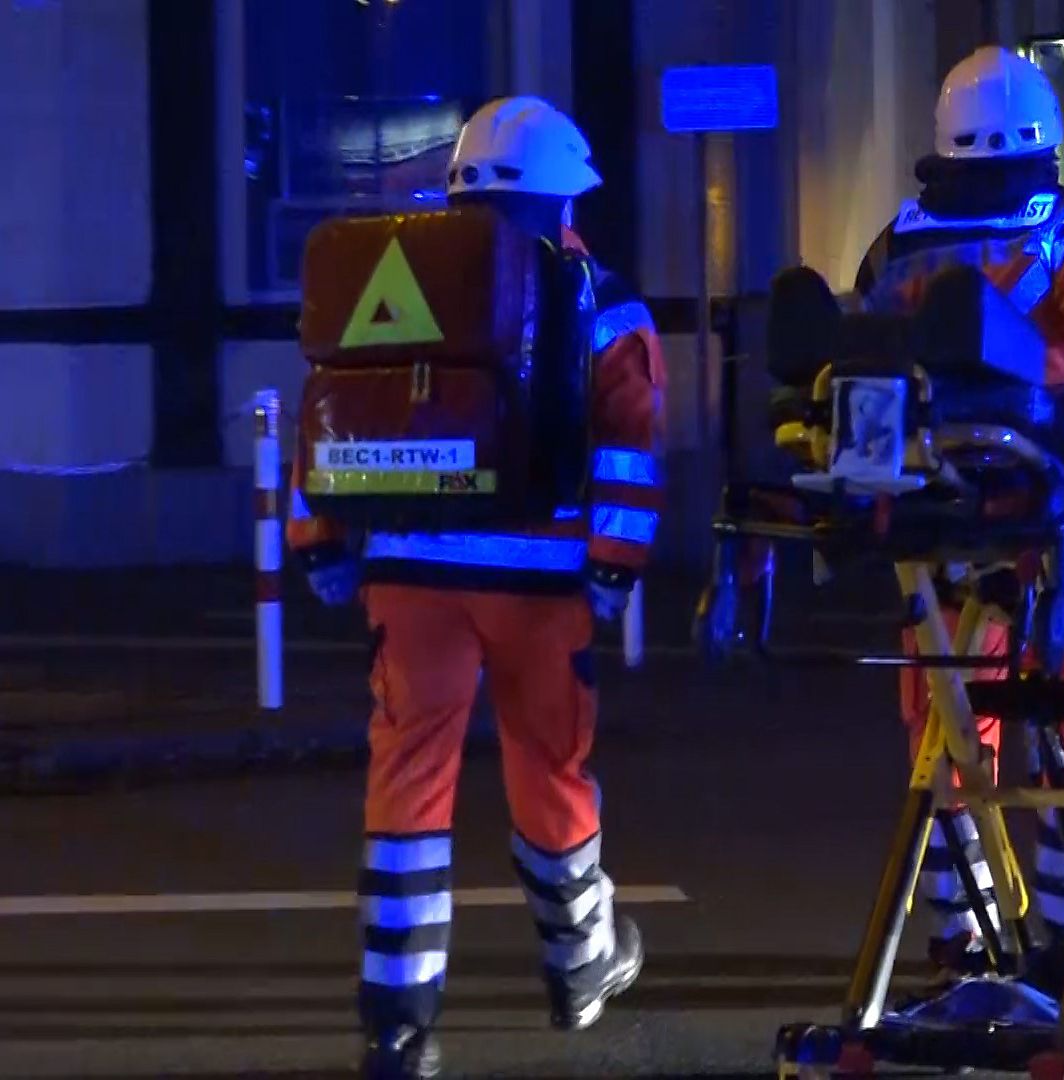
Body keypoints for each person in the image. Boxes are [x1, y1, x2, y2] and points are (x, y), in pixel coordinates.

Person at [287, 96, 662, 1079]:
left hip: (409, 577)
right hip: (541, 587)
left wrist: (320, 543)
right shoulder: (601, 297)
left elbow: (331, 412)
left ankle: (397, 1019)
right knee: (551, 770)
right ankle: (580, 964)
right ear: (562, 196)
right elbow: (628, 453)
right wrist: (616, 573)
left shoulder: (401, 280)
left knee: (408, 781)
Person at [852, 45, 1064, 973]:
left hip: (932, 509)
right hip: (1045, 517)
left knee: (943, 723)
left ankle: (963, 932)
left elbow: (866, 357)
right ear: (1046, 138)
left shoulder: (896, 240)